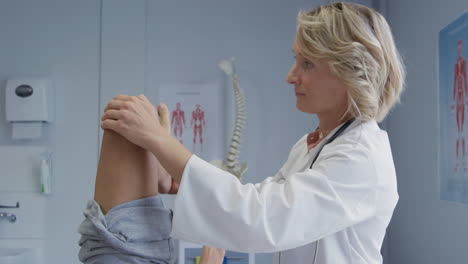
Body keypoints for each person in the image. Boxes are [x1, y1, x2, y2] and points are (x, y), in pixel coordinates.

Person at [100, 2, 405, 263]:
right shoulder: (313, 144)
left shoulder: (361, 157)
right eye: (295, 59)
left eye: (307, 64)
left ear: (351, 73)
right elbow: (264, 199)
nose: (290, 76)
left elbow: (261, 219)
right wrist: (180, 181)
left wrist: (161, 141)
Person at [77, 129, 225, 263]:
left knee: (126, 117)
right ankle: (160, 170)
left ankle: (160, 170)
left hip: (126, 248)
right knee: (132, 118)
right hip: (146, 250)